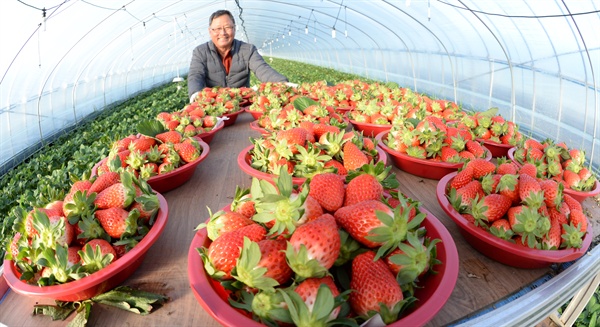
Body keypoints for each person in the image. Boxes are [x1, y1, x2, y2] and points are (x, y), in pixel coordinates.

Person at [187, 9, 289, 103]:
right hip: (214, 106)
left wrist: (282, 83)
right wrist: (195, 93)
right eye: (217, 29)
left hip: (242, 103)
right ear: (210, 31)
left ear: (234, 29)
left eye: (227, 27)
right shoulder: (200, 52)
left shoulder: (247, 50)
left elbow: (262, 69)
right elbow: (196, 75)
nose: (222, 33)